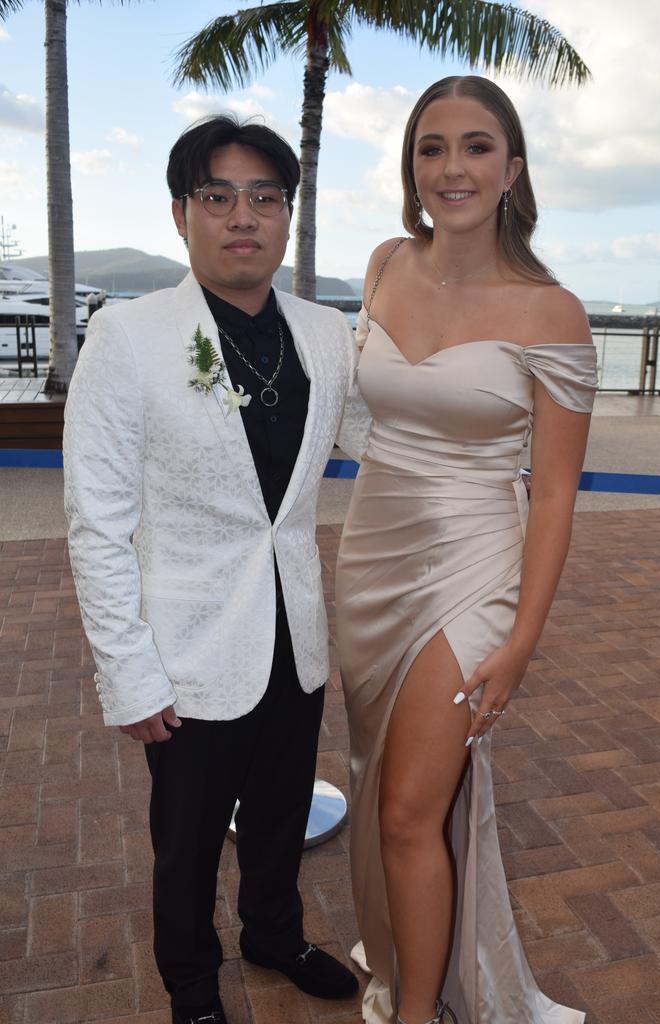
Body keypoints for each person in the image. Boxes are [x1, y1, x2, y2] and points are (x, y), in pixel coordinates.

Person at [63, 116, 368, 1024]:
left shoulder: (324, 333)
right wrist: (128, 670)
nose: (245, 216)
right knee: (187, 842)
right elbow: (96, 521)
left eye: (265, 198)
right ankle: (191, 988)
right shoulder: (130, 335)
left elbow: (377, 442)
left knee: (279, 815)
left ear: (287, 217)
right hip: (186, 650)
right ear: (181, 213)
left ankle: (273, 933)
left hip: (294, 635)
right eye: (219, 196)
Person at [335, 76, 598, 1024]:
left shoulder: (550, 312)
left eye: (477, 146)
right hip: (369, 555)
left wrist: (523, 640)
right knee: (376, 784)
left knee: (410, 807)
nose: (453, 167)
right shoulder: (381, 265)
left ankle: (419, 1015)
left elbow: (558, 491)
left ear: (513, 169)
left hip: (474, 565)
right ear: (412, 166)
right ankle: (413, 965)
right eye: (432, 147)